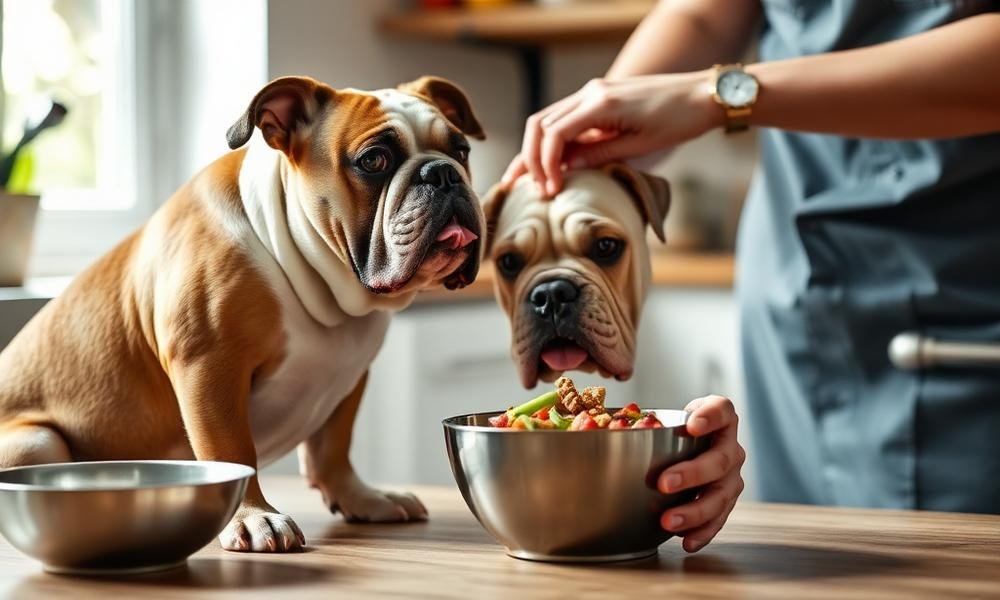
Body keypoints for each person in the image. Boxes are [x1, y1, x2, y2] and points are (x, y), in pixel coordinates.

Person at [502, 0, 1000, 553]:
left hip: (963, 282)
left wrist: (718, 96)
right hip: (794, 278)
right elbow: (704, 16)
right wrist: (596, 140)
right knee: (809, 559)